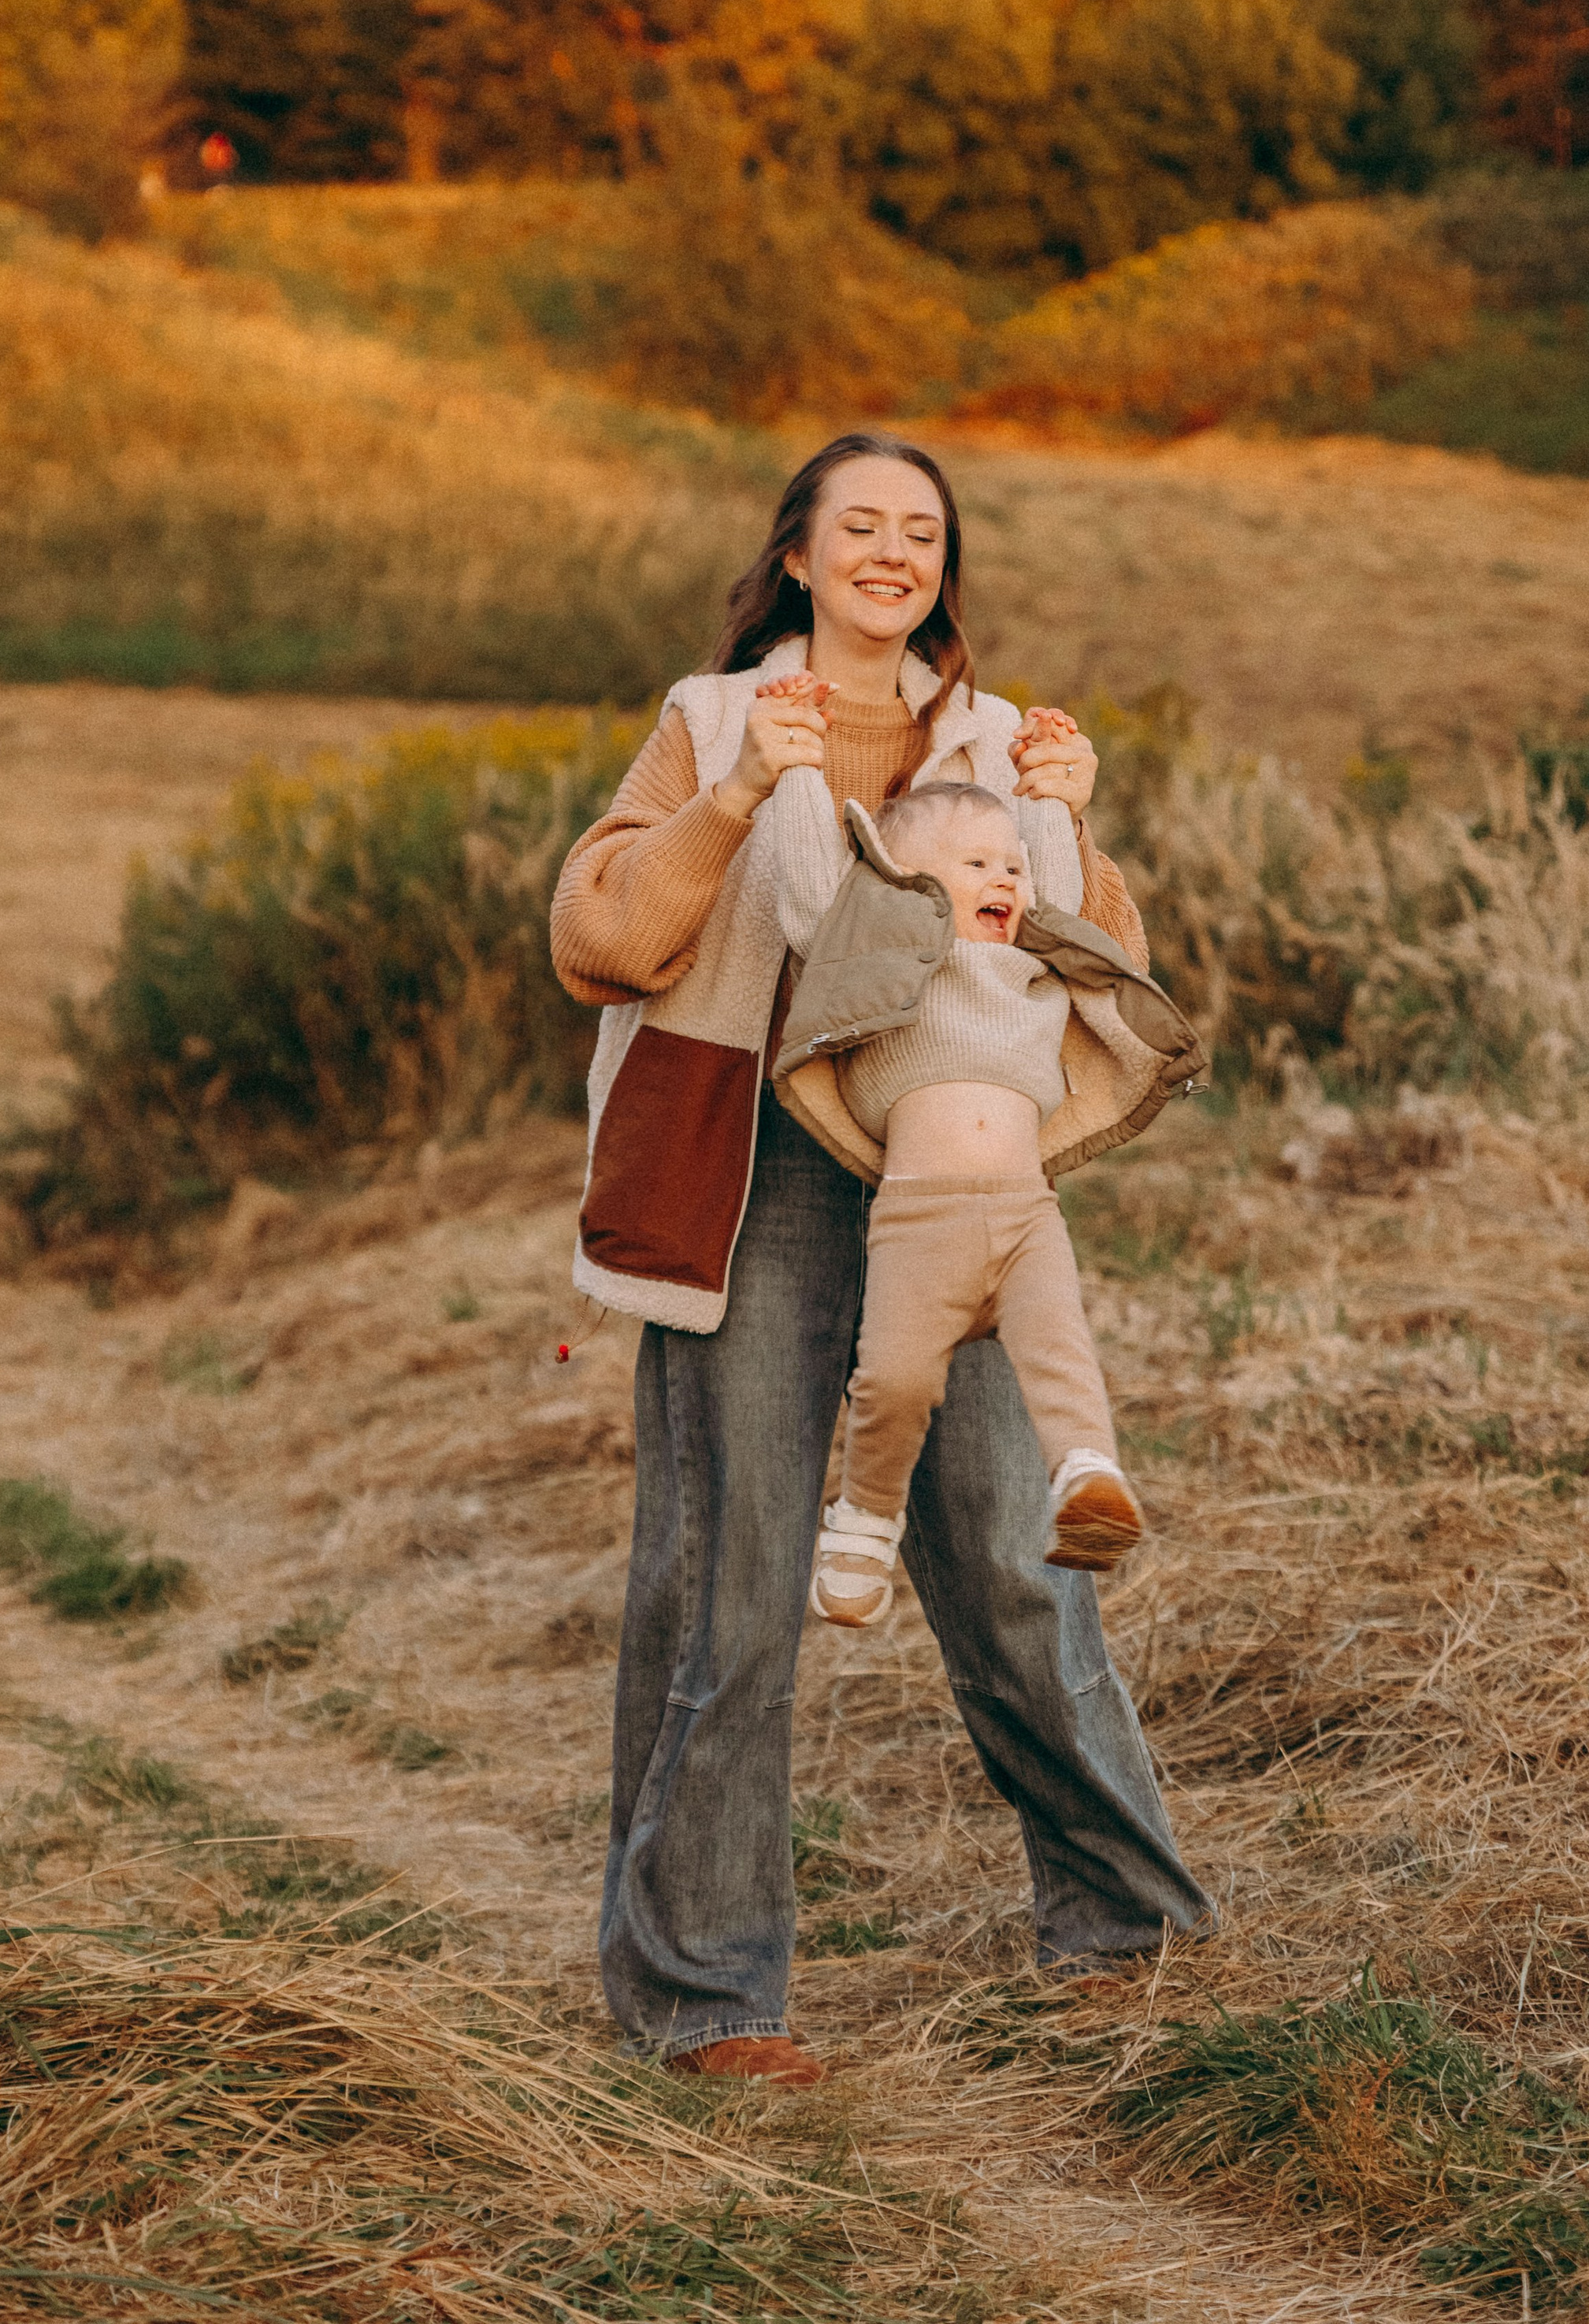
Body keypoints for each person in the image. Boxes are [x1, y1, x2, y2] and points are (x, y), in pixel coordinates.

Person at [550, 430, 1212, 2090]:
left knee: (1013, 1554)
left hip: (951, 1166)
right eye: (861, 523)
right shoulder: (712, 720)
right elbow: (603, 938)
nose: (893, 551)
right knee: (732, 1578)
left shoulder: (995, 739)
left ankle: (1128, 1934)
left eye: (922, 529)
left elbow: (1099, 968)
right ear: (797, 552)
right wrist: (736, 796)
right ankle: (707, 1998)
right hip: (753, 1176)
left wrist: (1072, 829)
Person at [755, 719, 1163, 1618]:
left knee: (1059, 1351)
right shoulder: (881, 959)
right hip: (918, 1220)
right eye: (976, 863)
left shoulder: (1030, 963)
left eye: (1011, 865)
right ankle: (866, 1521)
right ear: (902, 880)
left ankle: (1087, 1478)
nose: (1005, 879)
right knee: (894, 1383)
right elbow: (809, 891)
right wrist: (795, 773)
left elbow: (1057, 885)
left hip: (1026, 1214)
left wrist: (1047, 795)